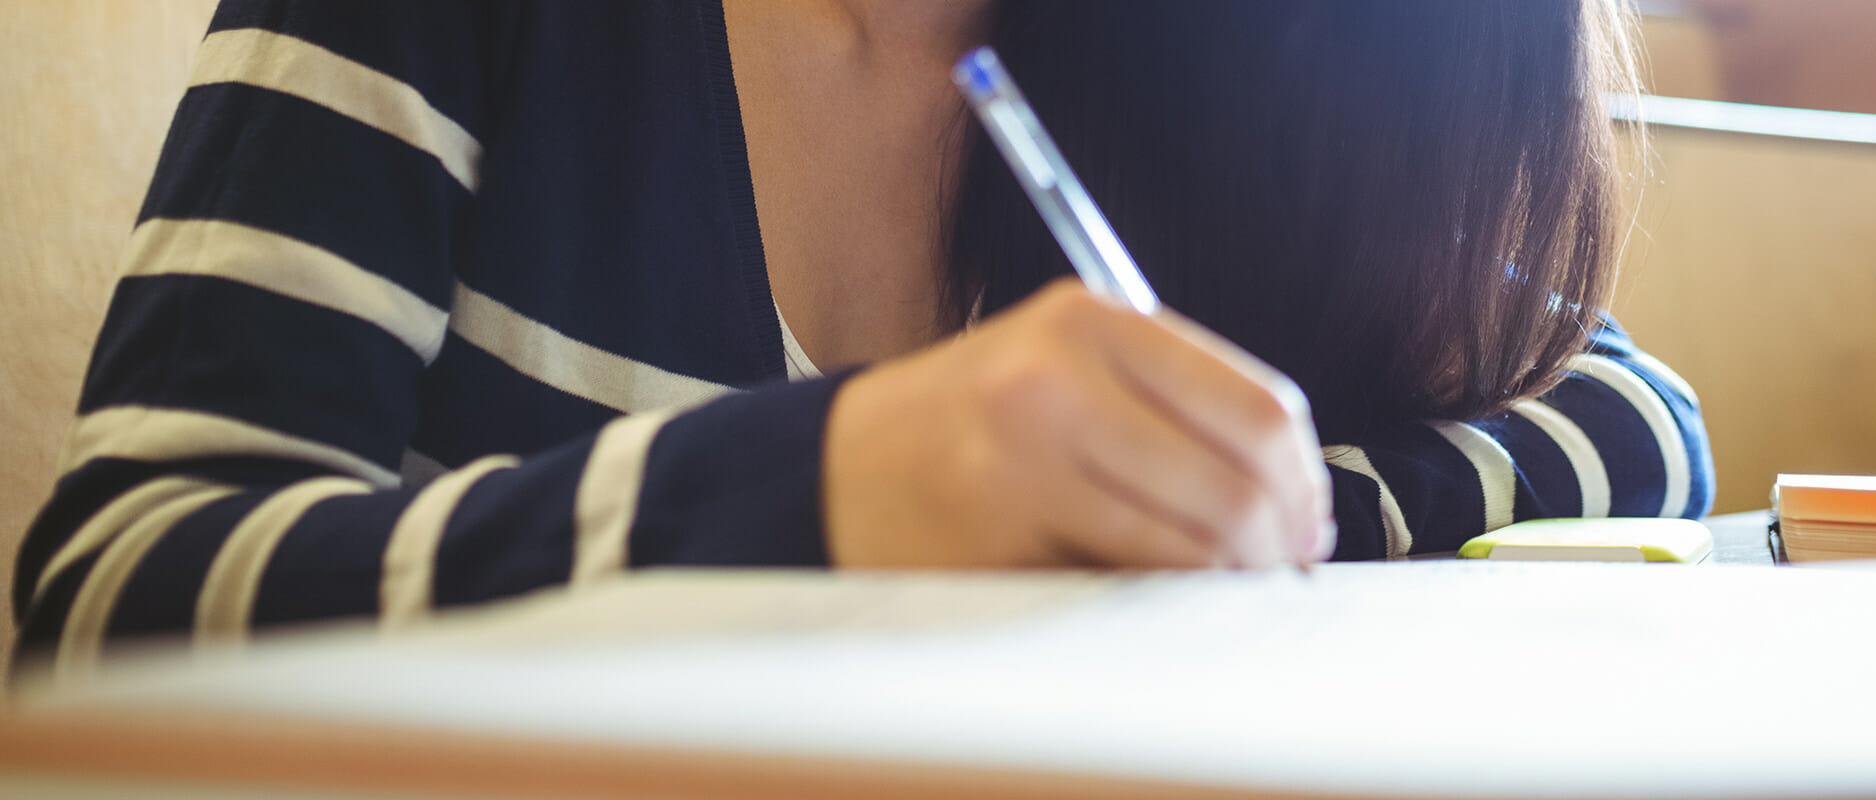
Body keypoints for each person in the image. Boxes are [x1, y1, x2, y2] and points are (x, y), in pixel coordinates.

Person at [13, 0, 1711, 672]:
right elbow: (115, 591)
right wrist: (820, 486)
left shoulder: (1213, 70)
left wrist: (1262, 490)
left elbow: (1631, 415)